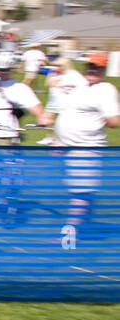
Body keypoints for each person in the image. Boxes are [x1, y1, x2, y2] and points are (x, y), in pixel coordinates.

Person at [53, 53, 120, 230]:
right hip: (68, 146)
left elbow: (114, 121)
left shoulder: (105, 89)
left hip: (85, 148)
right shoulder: (82, 86)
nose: (92, 70)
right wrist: (59, 140)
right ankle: (85, 226)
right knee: (80, 190)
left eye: (97, 67)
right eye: (90, 66)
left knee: (80, 192)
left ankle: (70, 233)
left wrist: (92, 124)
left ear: (103, 69)